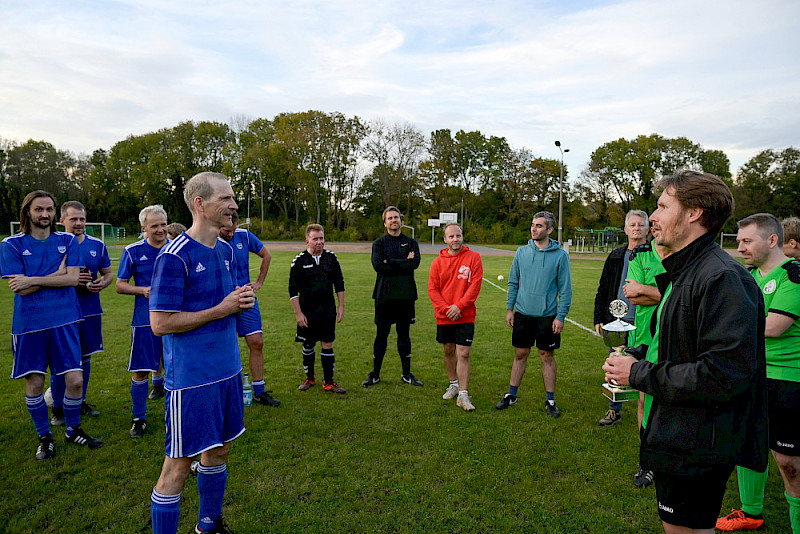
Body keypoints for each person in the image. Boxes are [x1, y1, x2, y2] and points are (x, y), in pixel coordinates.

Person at [603, 170, 768, 533]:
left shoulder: (722, 277)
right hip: (679, 431)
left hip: (698, 439)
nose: (653, 218)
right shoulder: (686, 271)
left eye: (663, 206)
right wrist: (638, 355)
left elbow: (724, 373)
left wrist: (638, 373)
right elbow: (679, 344)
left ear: (693, 213)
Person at [149, 171, 253, 534]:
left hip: (227, 370)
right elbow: (160, 323)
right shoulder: (174, 256)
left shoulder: (226, 250)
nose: (233, 204)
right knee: (177, 466)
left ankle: (208, 524)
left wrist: (238, 303)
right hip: (192, 379)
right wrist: (222, 309)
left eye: (232, 197)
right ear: (200, 204)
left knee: (220, 450)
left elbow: (225, 303)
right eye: (225, 198)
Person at [1, 191, 102, 460]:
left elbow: (72, 280)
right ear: (27, 212)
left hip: (65, 321)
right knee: (35, 382)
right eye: (38, 210)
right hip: (29, 325)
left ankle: (72, 429)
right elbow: (18, 289)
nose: (44, 214)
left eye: (49, 209)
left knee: (75, 380)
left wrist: (33, 279)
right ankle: (45, 437)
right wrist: (57, 274)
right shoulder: (11, 244)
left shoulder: (67, 240)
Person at [715, 213, 800, 533]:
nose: (740, 248)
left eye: (747, 241)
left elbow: (775, 327)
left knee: (789, 464)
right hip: (751, 374)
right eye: (738, 242)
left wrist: (725, 329)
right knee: (747, 445)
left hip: (786, 380)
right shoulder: (747, 276)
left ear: (773, 240)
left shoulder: (793, 275)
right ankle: (750, 512)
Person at [496, 211, 572, 417]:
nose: (534, 228)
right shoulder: (522, 252)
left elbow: (565, 289)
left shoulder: (561, 256)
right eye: (533, 225)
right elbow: (513, 282)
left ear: (549, 230)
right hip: (522, 313)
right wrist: (510, 309)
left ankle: (550, 400)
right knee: (520, 354)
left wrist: (561, 316)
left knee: (546, 355)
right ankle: (511, 395)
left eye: (539, 226)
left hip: (548, 316)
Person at [47, 201, 113, 423]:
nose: (78, 223)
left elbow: (108, 274)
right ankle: (57, 408)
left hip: (90, 310)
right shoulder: (52, 245)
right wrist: (69, 278)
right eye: (73, 219)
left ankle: (80, 401)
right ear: (62, 221)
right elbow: (44, 279)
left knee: (85, 358)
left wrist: (101, 284)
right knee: (60, 361)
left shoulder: (97, 244)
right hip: (61, 313)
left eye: (82, 219)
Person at [116, 205, 169, 438]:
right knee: (141, 371)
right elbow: (120, 284)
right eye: (154, 225)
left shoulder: (176, 249)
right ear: (144, 228)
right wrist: (142, 290)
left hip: (176, 319)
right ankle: (139, 418)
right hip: (144, 320)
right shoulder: (133, 251)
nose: (160, 229)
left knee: (177, 369)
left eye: (163, 224)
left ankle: (174, 416)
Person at [593, 209, 649, 426]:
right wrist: (599, 317)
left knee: (645, 364)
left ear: (648, 229)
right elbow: (603, 288)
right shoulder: (616, 256)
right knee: (616, 363)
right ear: (625, 229)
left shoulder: (654, 255)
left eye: (640, 225)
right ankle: (614, 409)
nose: (636, 228)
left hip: (644, 321)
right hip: (617, 321)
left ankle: (646, 409)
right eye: (632, 225)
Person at [219, 212, 280, 406]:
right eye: (226, 230)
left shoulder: (244, 236)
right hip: (221, 301)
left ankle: (259, 391)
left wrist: (259, 282)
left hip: (246, 297)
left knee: (256, 342)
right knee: (223, 346)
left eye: (233, 229)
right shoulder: (209, 239)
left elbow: (266, 255)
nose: (230, 233)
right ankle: (223, 391)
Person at [622, 228, 667, 488]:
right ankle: (647, 460)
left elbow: (688, 296)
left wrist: (646, 289)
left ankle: (669, 456)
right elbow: (633, 296)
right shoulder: (640, 256)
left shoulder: (681, 255)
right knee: (643, 399)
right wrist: (665, 294)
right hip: (644, 340)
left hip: (674, 338)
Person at [362, 206, 423, 388]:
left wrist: (392, 261)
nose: (394, 220)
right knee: (381, 335)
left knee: (404, 335)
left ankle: (406, 374)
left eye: (396, 217)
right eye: (390, 218)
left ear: (401, 220)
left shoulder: (411, 243)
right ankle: (375, 374)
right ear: (385, 222)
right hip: (384, 296)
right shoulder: (379, 244)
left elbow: (415, 263)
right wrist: (404, 262)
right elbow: (379, 266)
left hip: (405, 297)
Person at [428, 223, 483, 411]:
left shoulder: (473, 258)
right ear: (445, 239)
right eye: (451, 237)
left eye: (458, 236)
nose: (455, 240)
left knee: (464, 353)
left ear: (462, 237)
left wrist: (459, 306)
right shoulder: (437, 262)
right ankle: (453, 384)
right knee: (449, 350)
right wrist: (446, 309)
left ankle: (463, 394)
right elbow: (433, 289)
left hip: (465, 314)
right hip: (444, 316)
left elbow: (475, 285)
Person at [289, 224, 346, 394]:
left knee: (327, 344)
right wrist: (298, 314)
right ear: (307, 240)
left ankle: (329, 382)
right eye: (315, 239)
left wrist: (341, 306)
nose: (319, 242)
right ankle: (310, 378)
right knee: (308, 344)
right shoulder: (299, 261)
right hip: (308, 311)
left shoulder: (331, 258)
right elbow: (293, 290)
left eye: (322, 238)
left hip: (328, 309)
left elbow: (339, 284)